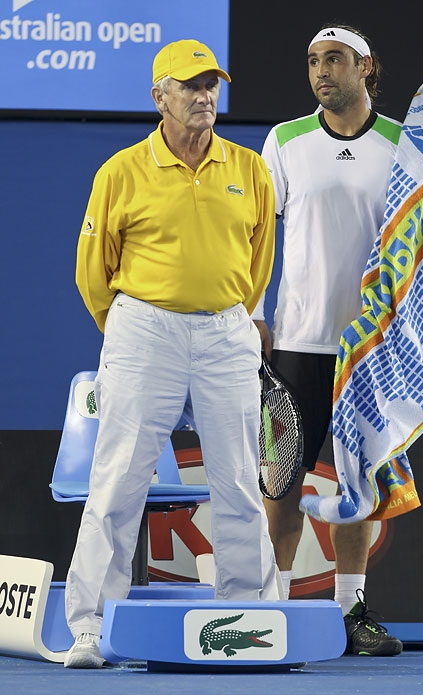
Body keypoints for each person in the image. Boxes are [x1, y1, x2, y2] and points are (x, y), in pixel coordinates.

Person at [64, 38, 282, 669]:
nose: (204, 96)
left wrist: (226, 313)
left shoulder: (250, 169)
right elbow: (92, 271)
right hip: (144, 331)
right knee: (117, 482)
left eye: (211, 85)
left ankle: (250, 619)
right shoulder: (121, 171)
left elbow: (259, 262)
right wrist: (129, 326)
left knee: (239, 481)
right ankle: (91, 627)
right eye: (190, 86)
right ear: (159, 97)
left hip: (225, 332)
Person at [253, 23, 404, 656]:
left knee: (358, 487)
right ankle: (272, 611)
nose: (321, 70)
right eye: (314, 60)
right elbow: (257, 235)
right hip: (296, 344)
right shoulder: (285, 141)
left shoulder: (404, 144)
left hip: (370, 348)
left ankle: (349, 613)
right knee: (281, 484)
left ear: (365, 67)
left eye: (334, 59)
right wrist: (255, 313)